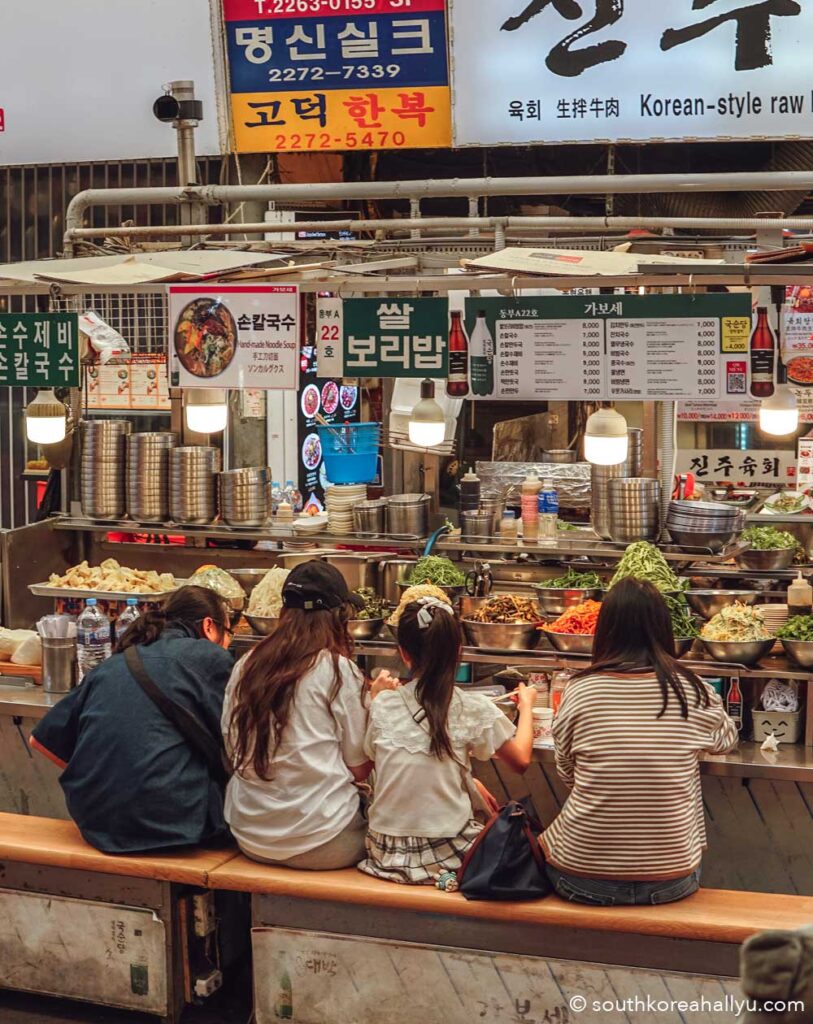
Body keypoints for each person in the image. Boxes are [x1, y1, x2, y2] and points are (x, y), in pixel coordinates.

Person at [541, 578, 739, 906]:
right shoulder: (693, 690)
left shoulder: (580, 690)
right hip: (672, 880)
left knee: (542, 840)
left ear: (605, 631)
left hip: (580, 877)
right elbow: (725, 741)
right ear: (663, 628)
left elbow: (568, 772)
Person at [31, 585, 235, 854]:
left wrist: (113, 780)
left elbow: (41, 740)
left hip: (94, 822)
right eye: (229, 632)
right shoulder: (210, 657)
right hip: (171, 823)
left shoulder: (113, 663)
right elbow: (241, 742)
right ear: (209, 626)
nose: (229, 642)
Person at [223, 560, 397, 870]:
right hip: (323, 840)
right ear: (338, 617)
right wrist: (376, 705)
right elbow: (358, 769)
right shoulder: (336, 671)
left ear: (284, 611)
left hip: (250, 835)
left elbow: (232, 747)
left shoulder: (246, 665)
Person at [358, 595, 535, 885]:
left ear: (403, 653)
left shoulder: (382, 704)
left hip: (385, 852)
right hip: (447, 854)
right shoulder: (471, 707)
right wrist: (526, 705)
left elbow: (383, 762)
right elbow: (521, 761)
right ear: (458, 651)